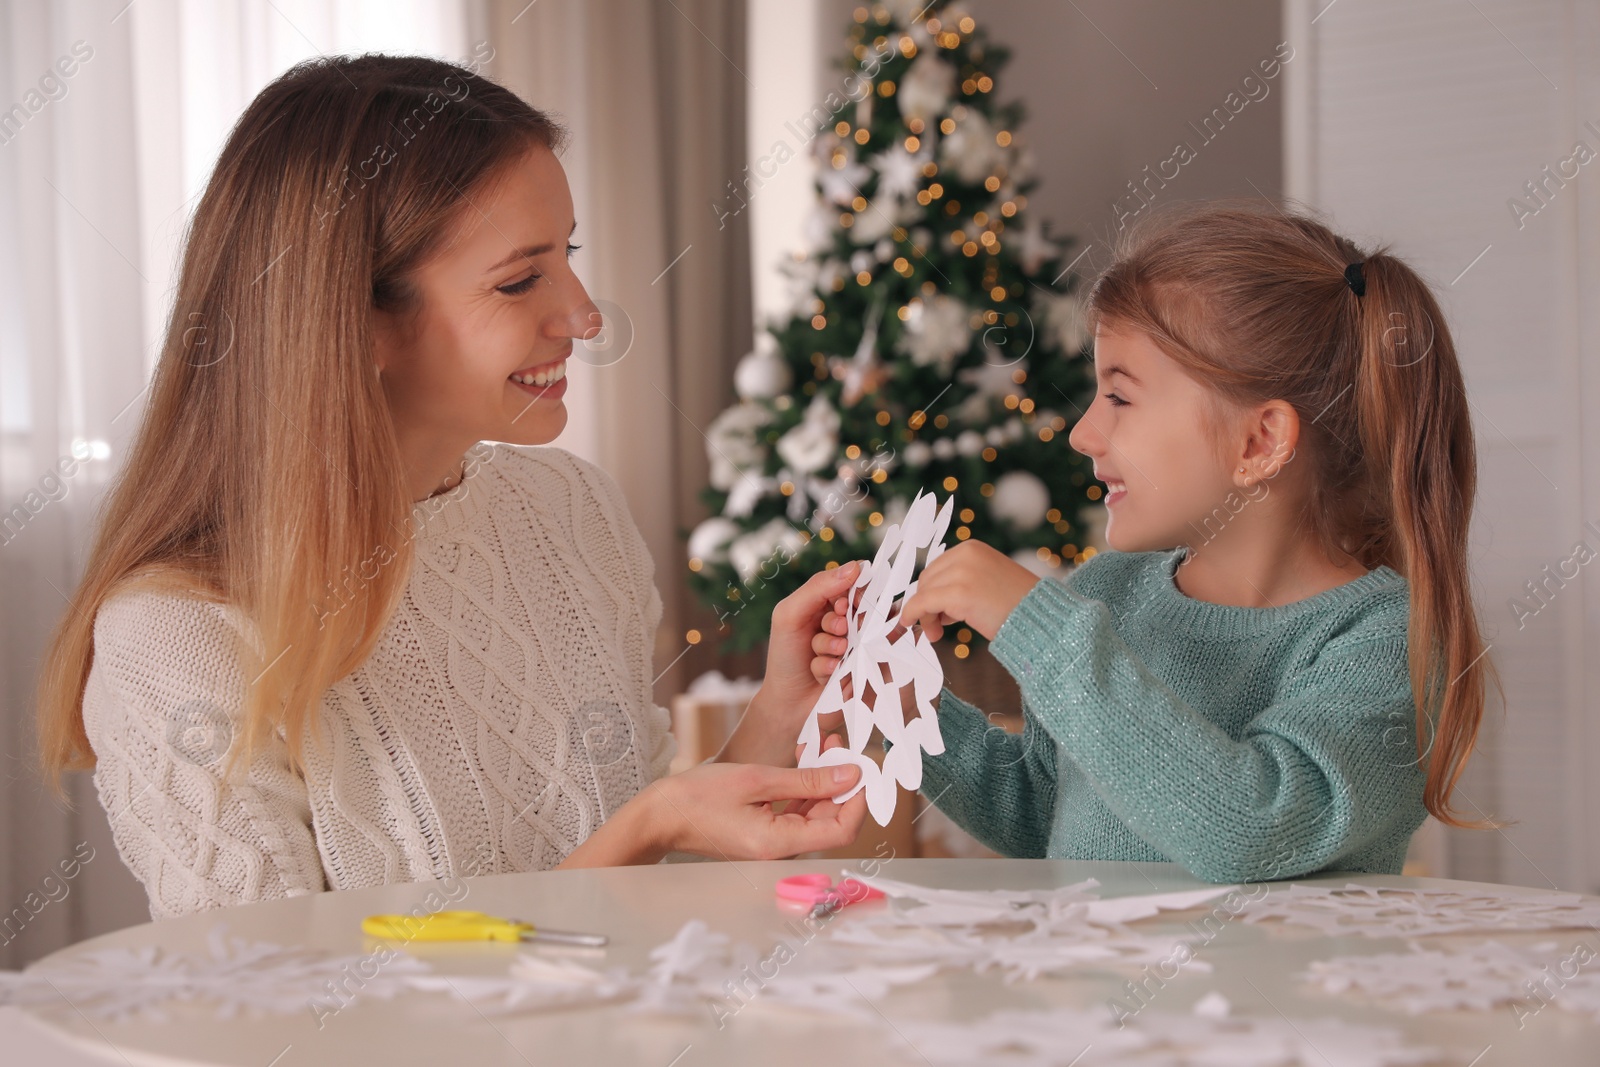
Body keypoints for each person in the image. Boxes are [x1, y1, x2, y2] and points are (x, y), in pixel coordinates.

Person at [34, 54, 863, 921]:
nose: (585, 314)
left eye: (568, 254)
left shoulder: (570, 508)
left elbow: (649, 888)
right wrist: (647, 824)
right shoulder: (176, 634)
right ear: (358, 324)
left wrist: (774, 715)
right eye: (519, 279)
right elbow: (277, 1015)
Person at [807, 205, 1500, 883]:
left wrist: (1040, 629)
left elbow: (1250, 827)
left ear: (1259, 443)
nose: (1083, 433)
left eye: (1121, 397)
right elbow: (1044, 815)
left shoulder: (1383, 641)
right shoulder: (1106, 592)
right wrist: (908, 704)